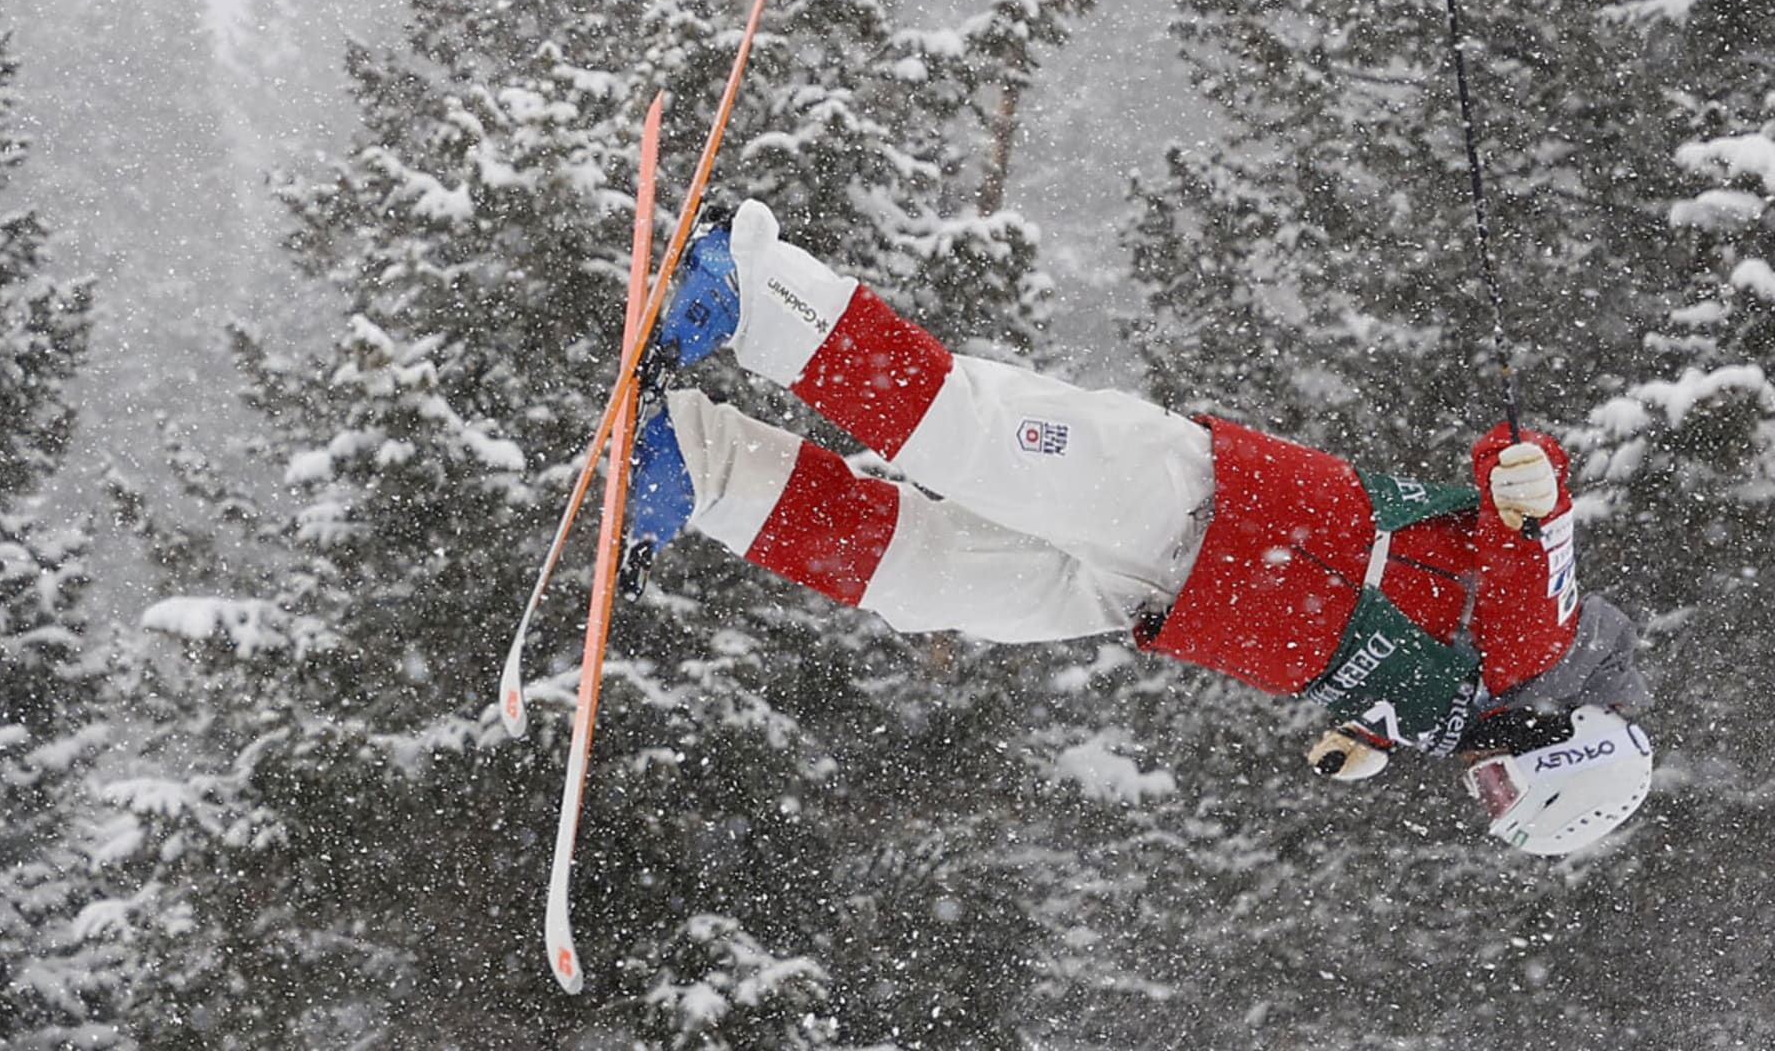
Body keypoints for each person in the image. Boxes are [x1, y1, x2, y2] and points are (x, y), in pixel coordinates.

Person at [622, 199, 1653, 857]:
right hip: (1210, 511)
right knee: (962, 437)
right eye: (1502, 781)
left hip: (1158, 601)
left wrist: (1364, 739)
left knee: (923, 577)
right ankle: (750, 290)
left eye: (1484, 797)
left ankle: (690, 467)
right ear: (1564, 741)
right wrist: (1536, 487)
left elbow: (1413, 662)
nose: (1479, 780)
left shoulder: (1471, 714)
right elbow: (1531, 545)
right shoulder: (1538, 653)